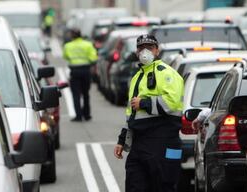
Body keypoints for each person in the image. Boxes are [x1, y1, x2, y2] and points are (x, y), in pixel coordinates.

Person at [114, 34, 184, 192]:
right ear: (137, 52)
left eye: (149, 48)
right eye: (141, 48)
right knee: (134, 185)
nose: (145, 51)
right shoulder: (137, 77)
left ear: (157, 51)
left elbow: (171, 103)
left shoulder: (167, 73)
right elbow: (131, 114)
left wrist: (144, 103)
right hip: (139, 144)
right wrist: (122, 140)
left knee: (162, 187)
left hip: (163, 141)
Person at [63, 29, 97, 122]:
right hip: (86, 71)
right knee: (86, 94)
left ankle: (78, 116)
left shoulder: (68, 46)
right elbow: (93, 58)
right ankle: (87, 115)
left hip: (74, 71)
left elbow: (65, 56)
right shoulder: (88, 45)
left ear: (72, 36)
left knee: (76, 94)